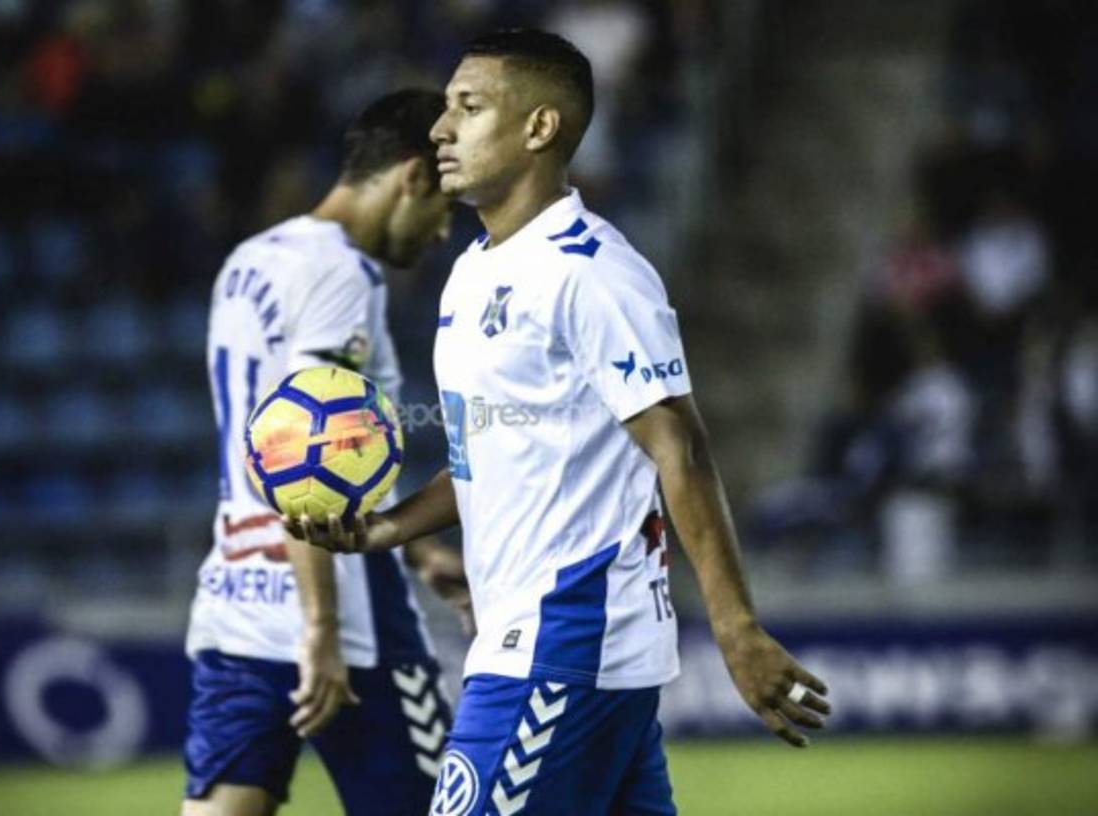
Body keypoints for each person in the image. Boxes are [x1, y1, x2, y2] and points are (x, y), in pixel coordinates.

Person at [293, 30, 831, 815]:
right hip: (545, 648)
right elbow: (490, 455)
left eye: (468, 108)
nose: (441, 129)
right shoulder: (474, 273)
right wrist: (385, 528)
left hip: (557, 650)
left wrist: (736, 628)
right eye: (444, 109)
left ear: (540, 129)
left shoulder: (592, 272)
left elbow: (678, 446)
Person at [182, 89, 469, 816]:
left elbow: (301, 443)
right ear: (412, 177)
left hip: (239, 589)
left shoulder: (250, 260)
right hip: (343, 608)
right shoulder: (344, 273)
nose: (441, 234)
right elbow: (305, 448)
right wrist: (319, 628)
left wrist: (415, 549)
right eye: (445, 207)